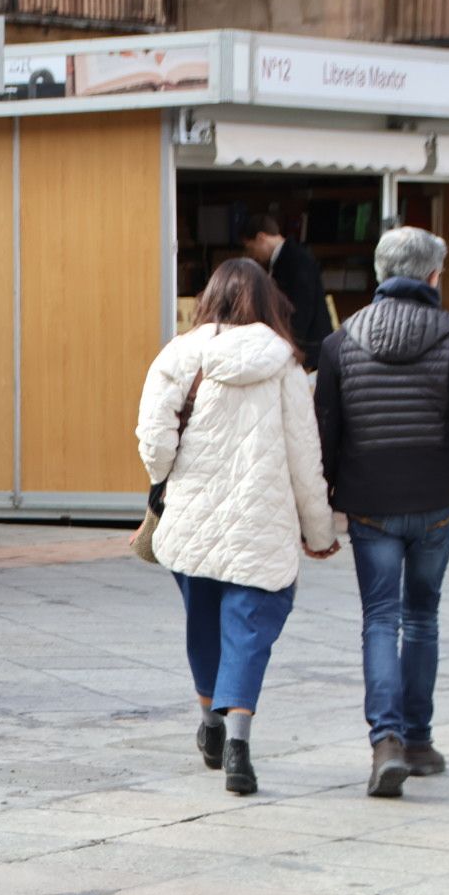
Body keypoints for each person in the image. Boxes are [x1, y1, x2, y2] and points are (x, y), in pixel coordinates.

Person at [136, 258, 338, 797]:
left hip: (191, 519)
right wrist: (319, 533)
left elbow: (154, 438)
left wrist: (164, 477)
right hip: (261, 521)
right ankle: (239, 744)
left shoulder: (180, 354)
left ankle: (209, 721)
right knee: (248, 629)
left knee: (202, 622)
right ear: (269, 300)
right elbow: (305, 458)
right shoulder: (286, 366)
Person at [316, 227, 449, 798]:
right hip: (435, 498)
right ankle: (419, 742)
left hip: (370, 501)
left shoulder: (340, 341)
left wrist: (329, 495)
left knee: (380, 618)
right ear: (432, 276)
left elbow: (323, 432)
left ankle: (387, 743)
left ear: (379, 272)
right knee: (422, 618)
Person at [242, 214, 332, 372]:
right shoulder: (288, 258)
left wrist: (290, 350)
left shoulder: (295, 260)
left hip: (306, 352)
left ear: (261, 238)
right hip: (301, 350)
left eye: (251, 248)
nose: (253, 255)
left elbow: (302, 310)